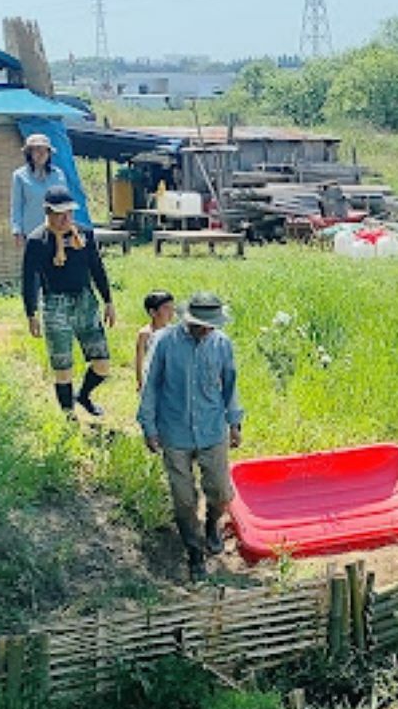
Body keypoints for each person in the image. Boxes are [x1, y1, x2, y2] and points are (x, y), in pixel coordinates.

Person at [138, 292, 243, 583]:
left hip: (212, 428)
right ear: (189, 320)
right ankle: (194, 553)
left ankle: (212, 524)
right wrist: (149, 427)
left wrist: (235, 423)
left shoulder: (221, 344)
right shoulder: (165, 343)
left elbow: (230, 385)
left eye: (211, 325)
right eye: (201, 325)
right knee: (184, 499)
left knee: (220, 491)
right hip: (174, 430)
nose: (206, 330)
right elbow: (151, 387)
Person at [22, 188, 116, 418]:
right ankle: (68, 416)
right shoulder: (37, 240)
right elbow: (29, 278)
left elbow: (96, 267)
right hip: (55, 303)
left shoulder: (83, 235)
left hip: (85, 300)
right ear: (48, 213)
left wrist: (108, 301)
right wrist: (31, 313)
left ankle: (83, 395)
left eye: (69, 213)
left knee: (102, 364)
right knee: (63, 367)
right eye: (60, 214)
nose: (66, 219)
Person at [11, 133, 70, 245]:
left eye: (45, 150)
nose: (41, 154)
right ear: (29, 153)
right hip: (32, 231)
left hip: (56, 230)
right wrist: (17, 231)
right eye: (37, 150)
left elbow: (66, 203)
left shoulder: (58, 174)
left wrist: (68, 226)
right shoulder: (19, 176)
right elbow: (17, 205)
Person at [136, 290, 177, 392]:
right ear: (153, 312)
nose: (171, 312)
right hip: (151, 377)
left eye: (172, 308)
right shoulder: (145, 334)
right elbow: (139, 360)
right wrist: (140, 382)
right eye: (166, 308)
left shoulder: (174, 332)